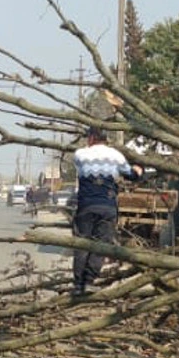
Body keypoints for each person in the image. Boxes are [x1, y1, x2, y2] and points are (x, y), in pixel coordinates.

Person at [71, 126, 142, 295]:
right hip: (107, 206)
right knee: (101, 244)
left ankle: (78, 285)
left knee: (82, 244)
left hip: (85, 206)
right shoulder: (116, 156)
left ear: (92, 138)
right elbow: (130, 175)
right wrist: (139, 170)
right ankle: (89, 281)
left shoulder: (80, 155)